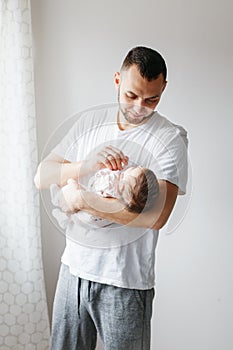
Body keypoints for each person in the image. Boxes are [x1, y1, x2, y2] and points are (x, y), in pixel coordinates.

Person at [34, 46, 188, 350]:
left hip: (125, 282)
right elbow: (42, 176)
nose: (141, 107)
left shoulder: (170, 138)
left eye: (152, 99)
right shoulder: (89, 124)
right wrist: (86, 166)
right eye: (132, 95)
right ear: (117, 80)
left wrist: (82, 202)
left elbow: (157, 218)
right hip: (73, 271)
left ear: (163, 88)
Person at [50, 166, 160, 230]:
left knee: (72, 184)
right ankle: (65, 218)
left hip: (90, 215)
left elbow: (97, 182)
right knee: (76, 216)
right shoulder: (124, 200)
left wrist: (106, 170)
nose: (132, 167)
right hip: (96, 222)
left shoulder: (112, 185)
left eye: (133, 169)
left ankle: (58, 200)